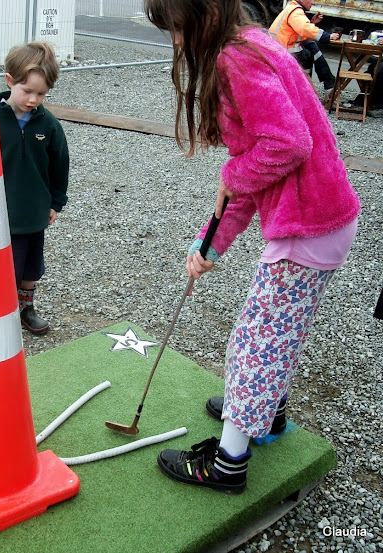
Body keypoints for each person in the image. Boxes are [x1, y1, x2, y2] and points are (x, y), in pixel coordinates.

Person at [144, 0, 360, 494]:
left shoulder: (235, 58)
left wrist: (233, 173)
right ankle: (268, 410)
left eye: (176, 28)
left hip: (306, 227)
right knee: (281, 333)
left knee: (254, 343)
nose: (175, 41)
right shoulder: (255, 43)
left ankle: (228, 463)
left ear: (204, 13)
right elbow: (248, 180)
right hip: (324, 220)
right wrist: (209, 247)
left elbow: (288, 144)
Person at [0, 41, 69, 336]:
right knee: (2, 269)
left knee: (31, 267)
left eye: (41, 94)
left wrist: (55, 202)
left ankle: (25, 308)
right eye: (27, 90)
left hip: (34, 216)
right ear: (9, 80)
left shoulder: (49, 125)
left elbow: (60, 166)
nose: (33, 99)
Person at [269, 0, 340, 90]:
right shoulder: (296, 11)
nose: (313, 2)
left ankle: (327, 79)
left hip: (279, 47)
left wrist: (312, 23)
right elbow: (304, 28)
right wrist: (327, 36)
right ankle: (307, 85)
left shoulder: (292, 8)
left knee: (311, 45)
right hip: (283, 51)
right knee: (308, 54)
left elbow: (300, 32)